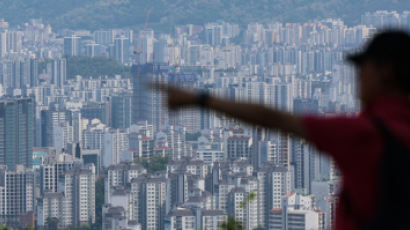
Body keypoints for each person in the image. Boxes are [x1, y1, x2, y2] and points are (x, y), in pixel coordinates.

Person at [155, 30, 410, 230]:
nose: (358, 78)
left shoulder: (363, 135)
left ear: (384, 72)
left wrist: (199, 100)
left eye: (363, 68)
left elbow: (274, 119)